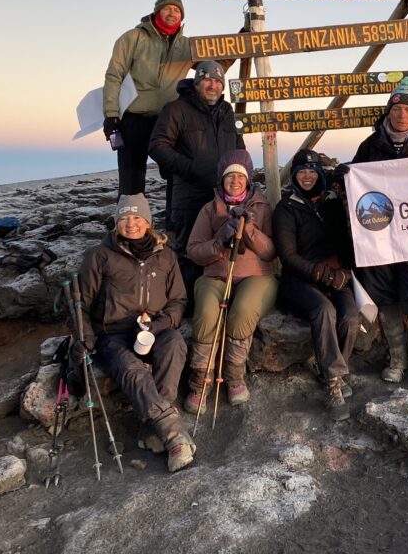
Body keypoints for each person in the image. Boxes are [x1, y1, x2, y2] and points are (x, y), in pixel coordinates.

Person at [75, 194, 194, 472]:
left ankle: (153, 428)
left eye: (137, 218)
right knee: (131, 368)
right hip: (113, 334)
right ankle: (175, 436)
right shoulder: (99, 256)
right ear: (116, 223)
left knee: (175, 345)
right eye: (125, 218)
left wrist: (159, 324)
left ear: (148, 222)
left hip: (153, 329)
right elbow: (79, 303)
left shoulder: (166, 256)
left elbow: (179, 301)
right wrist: (85, 337)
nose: (131, 224)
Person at [350, 78, 408, 387]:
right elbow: (357, 187)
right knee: (385, 296)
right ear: (388, 112)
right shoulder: (370, 145)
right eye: (397, 108)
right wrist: (346, 177)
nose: (401, 114)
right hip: (378, 238)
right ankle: (397, 358)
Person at [184, 150, 277, 413]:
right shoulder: (209, 209)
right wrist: (218, 243)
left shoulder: (262, 206)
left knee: (243, 311)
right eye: (229, 176)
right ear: (222, 181)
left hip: (256, 277)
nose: (234, 181)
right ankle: (201, 380)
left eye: (240, 176)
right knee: (205, 312)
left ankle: (234, 377)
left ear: (248, 180)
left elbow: (271, 252)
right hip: (215, 276)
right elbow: (193, 250)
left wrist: (248, 230)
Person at [273, 149, 360, 421]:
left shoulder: (332, 203)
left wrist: (345, 271)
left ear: (320, 173)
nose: (307, 176)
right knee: (324, 310)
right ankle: (334, 382)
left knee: (350, 316)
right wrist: (323, 275)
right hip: (299, 281)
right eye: (301, 171)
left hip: (335, 275)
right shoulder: (286, 208)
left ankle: (335, 368)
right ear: (295, 175)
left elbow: (346, 242)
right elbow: (288, 257)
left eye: (312, 171)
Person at [149, 61, 245, 297]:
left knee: (220, 246)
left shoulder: (226, 112)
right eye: (207, 80)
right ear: (197, 82)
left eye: (217, 81)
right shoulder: (176, 110)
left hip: (223, 196)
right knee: (188, 252)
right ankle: (185, 306)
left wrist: (244, 174)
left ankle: (215, 302)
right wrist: (192, 168)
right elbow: (158, 147)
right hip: (188, 195)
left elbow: (238, 147)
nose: (212, 85)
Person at [103, 0, 193, 196]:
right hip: (134, 118)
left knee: (175, 174)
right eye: (168, 8)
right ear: (157, 11)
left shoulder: (187, 45)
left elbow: (213, 66)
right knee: (131, 176)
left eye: (177, 10)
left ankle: (175, 224)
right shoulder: (133, 38)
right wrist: (111, 114)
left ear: (182, 16)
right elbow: (114, 76)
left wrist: (244, 39)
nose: (172, 13)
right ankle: (129, 225)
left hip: (168, 120)